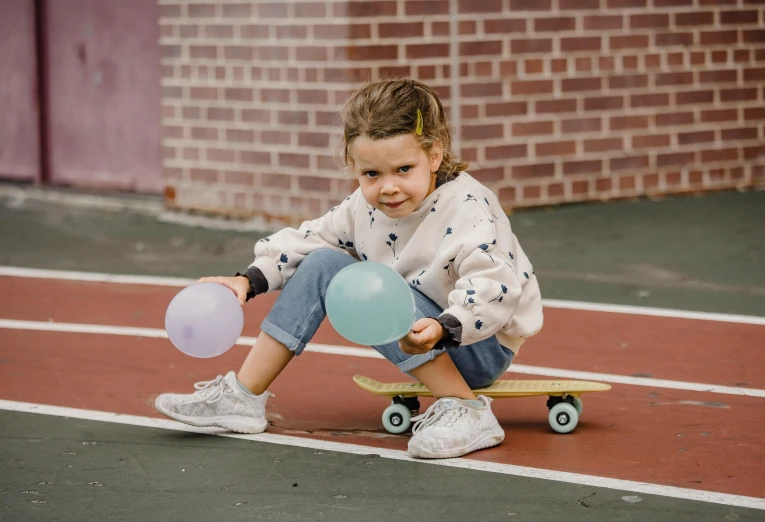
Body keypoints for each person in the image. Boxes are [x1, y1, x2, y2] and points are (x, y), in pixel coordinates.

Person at [155, 78, 543, 459]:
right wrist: (247, 279)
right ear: (354, 167)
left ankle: (468, 411)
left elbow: (494, 284)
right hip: (415, 330)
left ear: (435, 155)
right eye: (371, 174)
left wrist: (446, 325)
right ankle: (241, 397)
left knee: (364, 282)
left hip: (475, 343)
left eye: (404, 169)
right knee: (324, 262)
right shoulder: (364, 206)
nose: (388, 187)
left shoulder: (470, 206)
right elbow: (313, 240)